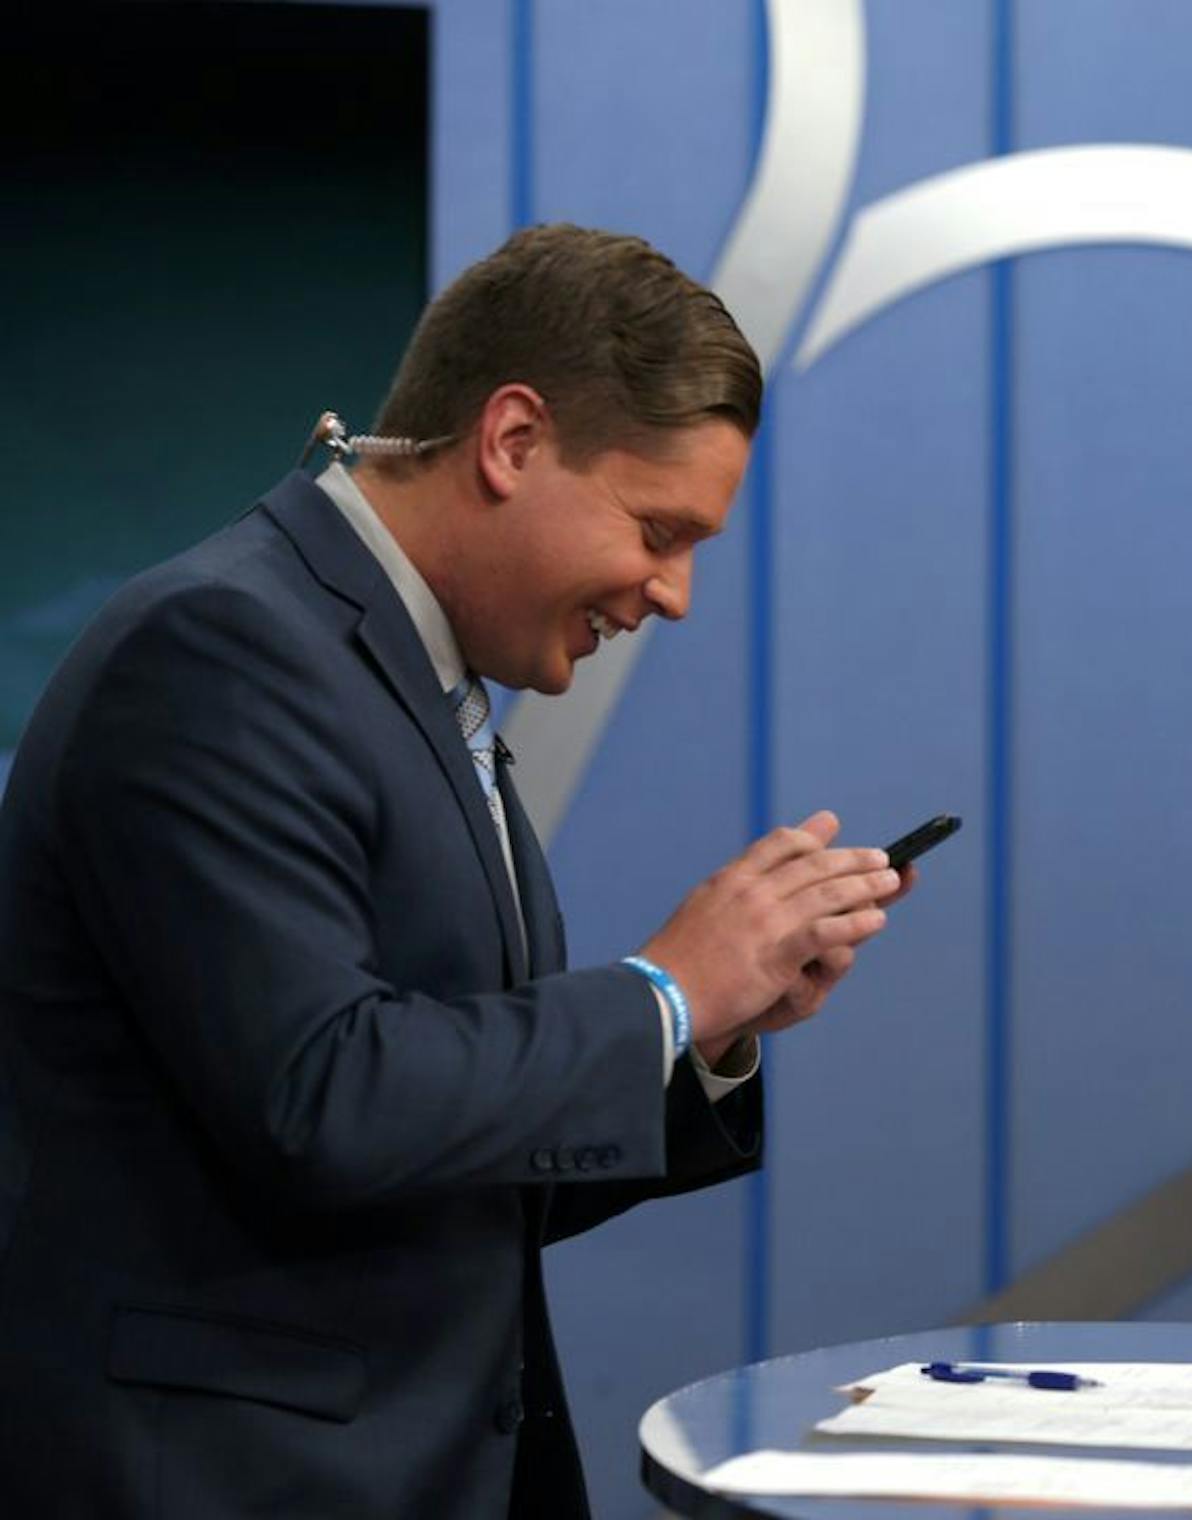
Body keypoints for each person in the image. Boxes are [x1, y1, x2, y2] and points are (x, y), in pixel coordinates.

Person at [0, 225, 908, 1516]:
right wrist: (662, 993)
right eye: (659, 529)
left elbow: (450, 1159)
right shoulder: (219, 652)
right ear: (514, 441)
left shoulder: (404, 681)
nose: (674, 592)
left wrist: (708, 1033)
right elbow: (324, 1100)